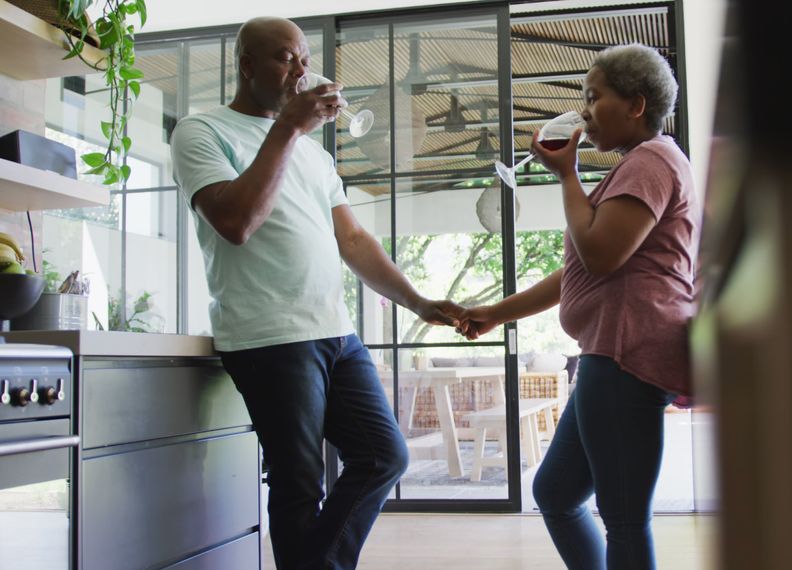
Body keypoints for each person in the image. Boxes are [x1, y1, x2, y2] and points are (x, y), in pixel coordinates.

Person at [169, 17, 462, 570]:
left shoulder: (315, 154)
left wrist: (419, 303)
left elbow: (352, 238)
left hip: (334, 331)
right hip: (267, 334)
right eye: (285, 58)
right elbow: (235, 221)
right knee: (300, 483)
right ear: (247, 65)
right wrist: (287, 130)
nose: (300, 71)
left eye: (303, 58)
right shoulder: (201, 131)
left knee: (384, 456)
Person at [457, 43, 700, 570]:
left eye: (594, 97)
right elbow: (578, 270)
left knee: (624, 519)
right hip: (611, 355)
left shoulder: (651, 160)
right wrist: (497, 313)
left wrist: (566, 174)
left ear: (635, 105)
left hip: (624, 356)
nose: (584, 110)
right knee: (556, 492)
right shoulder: (642, 164)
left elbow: (600, 255)